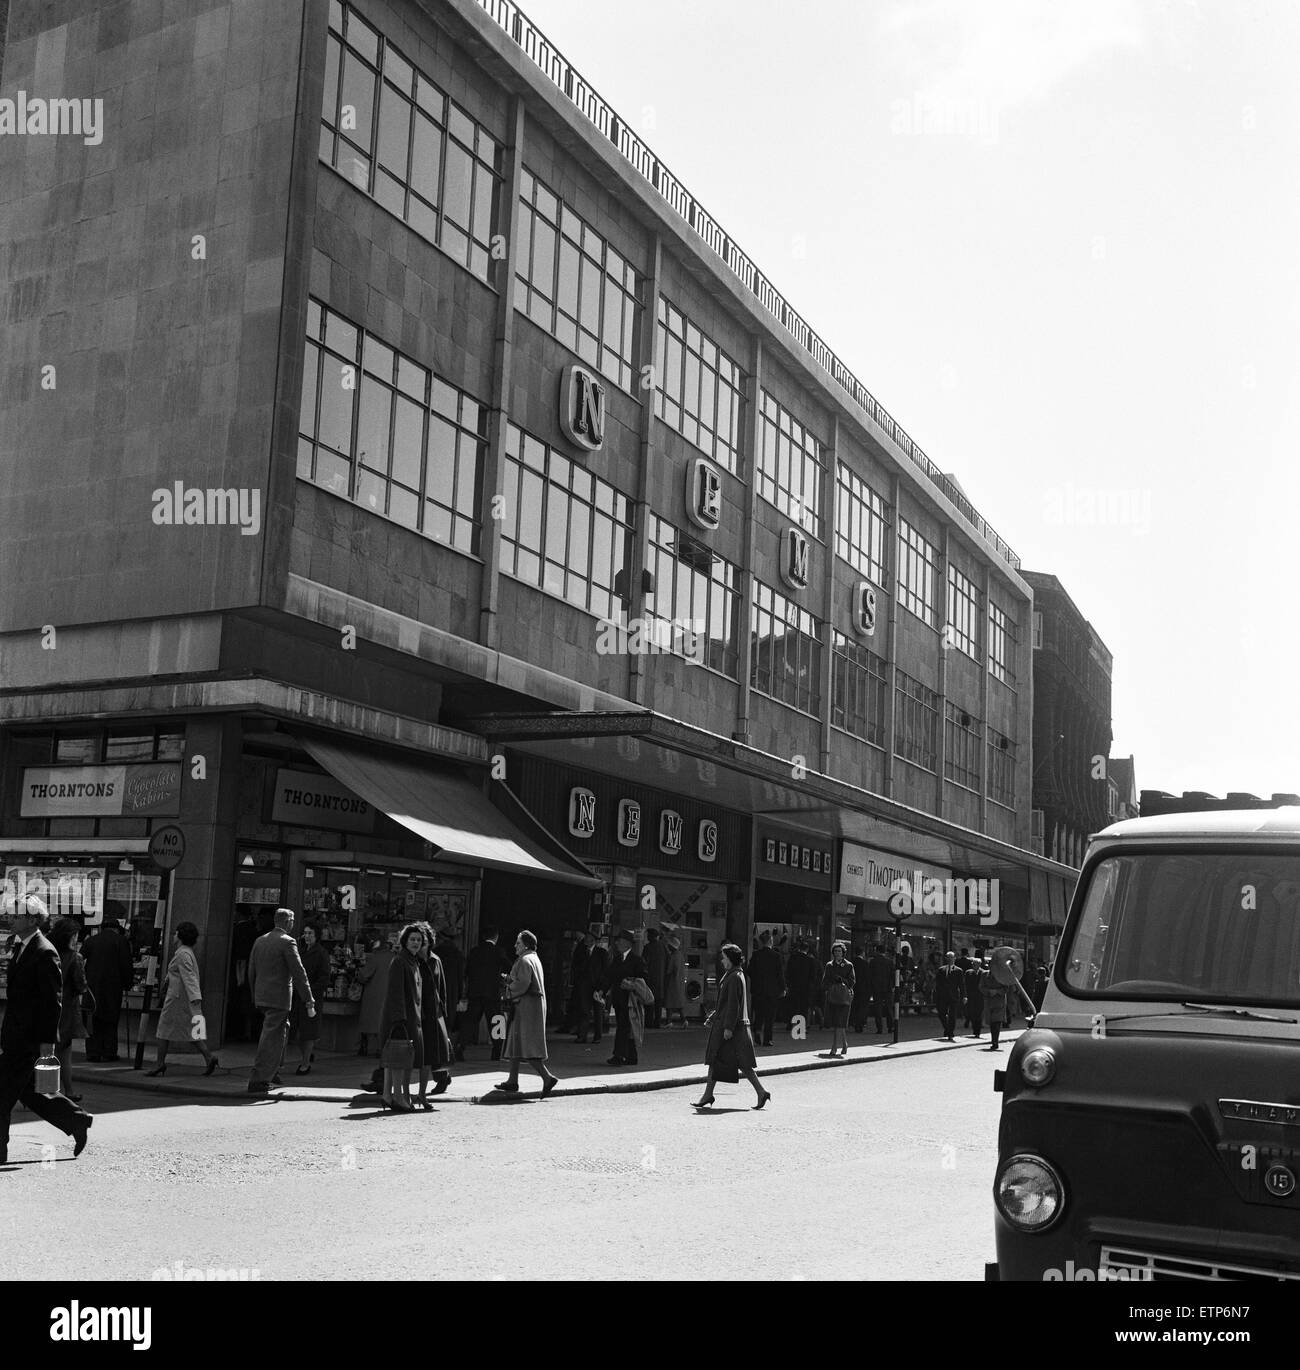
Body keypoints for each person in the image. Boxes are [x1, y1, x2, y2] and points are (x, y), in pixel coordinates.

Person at [0, 893, 93, 1165]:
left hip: (28, 1039)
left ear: (32, 919)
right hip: (16, 1034)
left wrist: (48, 1042)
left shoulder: (44, 951)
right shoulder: (21, 946)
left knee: (2, 1094)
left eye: (17, 916)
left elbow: (53, 1003)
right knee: (33, 1092)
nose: (11, 919)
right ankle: (78, 1120)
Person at [693, 943, 770, 1110]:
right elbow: (725, 1003)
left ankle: (760, 1092)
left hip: (731, 1029)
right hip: (731, 1026)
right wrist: (713, 1017)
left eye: (724, 958)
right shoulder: (734, 974)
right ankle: (760, 1092)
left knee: (725, 1060)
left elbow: (733, 1005)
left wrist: (728, 1028)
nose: (722, 960)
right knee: (732, 1062)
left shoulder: (734, 976)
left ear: (731, 959)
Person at [247, 908, 315, 1095]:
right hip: (279, 998)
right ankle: (259, 1079)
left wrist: (255, 994)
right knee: (271, 1037)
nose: (294, 924)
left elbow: (251, 970)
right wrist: (309, 999)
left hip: (262, 996)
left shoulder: (260, 940)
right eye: (292, 920)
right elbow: (299, 973)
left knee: (279, 1032)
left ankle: (272, 1070)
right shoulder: (288, 942)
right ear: (287, 922)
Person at [146, 922, 218, 1077]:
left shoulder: (182, 954)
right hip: (183, 997)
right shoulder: (186, 952)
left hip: (178, 999)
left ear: (179, 935)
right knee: (191, 1030)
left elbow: (188, 976)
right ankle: (208, 1056)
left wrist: (195, 997)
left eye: (175, 933)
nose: (173, 936)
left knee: (164, 1030)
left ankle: (160, 1064)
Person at [495, 930, 559, 1097]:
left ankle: (547, 1077)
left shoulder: (524, 960)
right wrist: (510, 979)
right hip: (530, 1007)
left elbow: (523, 983)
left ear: (525, 944)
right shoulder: (533, 958)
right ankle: (512, 1081)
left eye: (518, 943)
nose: (515, 946)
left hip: (526, 1008)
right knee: (516, 1042)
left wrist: (508, 988)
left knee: (527, 1045)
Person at [379, 924, 425, 1111]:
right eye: (412, 939)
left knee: (396, 1057)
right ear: (405, 941)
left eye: (419, 940)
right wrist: (399, 1019)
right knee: (399, 1059)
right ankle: (397, 1097)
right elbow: (395, 992)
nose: (415, 943)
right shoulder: (400, 961)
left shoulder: (412, 961)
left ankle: (388, 1095)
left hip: (408, 1016)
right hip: (399, 1017)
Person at [80, 916, 134, 1062]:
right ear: (117, 929)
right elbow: (126, 965)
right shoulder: (121, 941)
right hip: (113, 987)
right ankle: (109, 1051)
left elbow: (79, 959)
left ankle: (93, 1051)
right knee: (111, 1020)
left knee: (93, 1020)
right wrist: (128, 984)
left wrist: (82, 981)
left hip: (92, 987)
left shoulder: (91, 941)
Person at [50, 918, 92, 1102]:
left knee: (45, 1051)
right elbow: (81, 985)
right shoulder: (75, 958)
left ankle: (43, 1089)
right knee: (64, 1053)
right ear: (71, 936)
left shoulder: (47, 952)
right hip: (66, 1010)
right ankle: (67, 1090)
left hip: (47, 1007)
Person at [414, 922, 452, 1106]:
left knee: (430, 1053)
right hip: (415, 1012)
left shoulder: (435, 960)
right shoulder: (410, 960)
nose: (421, 944)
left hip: (432, 1012)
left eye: (424, 940)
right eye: (418, 940)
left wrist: (443, 1012)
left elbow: (441, 988)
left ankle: (424, 1091)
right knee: (411, 1055)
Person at [289, 924, 330, 1074]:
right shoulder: (301, 951)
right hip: (298, 997)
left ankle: (305, 1063)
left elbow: (324, 978)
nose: (307, 936)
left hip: (311, 997)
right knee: (297, 1032)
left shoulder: (321, 953)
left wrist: (310, 991)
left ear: (317, 935)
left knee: (308, 1032)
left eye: (310, 933)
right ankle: (307, 1055)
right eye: (305, 933)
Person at [600, 929, 645, 1066]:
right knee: (626, 1027)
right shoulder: (617, 959)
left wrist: (631, 984)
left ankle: (618, 1056)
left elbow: (643, 978)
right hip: (619, 999)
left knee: (623, 1027)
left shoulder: (636, 960)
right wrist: (602, 991)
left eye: (619, 941)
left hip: (631, 1000)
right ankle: (632, 1056)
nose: (617, 943)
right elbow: (610, 977)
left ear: (627, 944)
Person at [464, 928, 506, 1061]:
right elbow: (509, 966)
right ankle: (497, 1050)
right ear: (496, 937)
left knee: (470, 1021)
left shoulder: (474, 951)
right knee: (497, 1021)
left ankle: (460, 1046)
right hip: (492, 993)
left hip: (475, 992)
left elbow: (467, 971)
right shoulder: (498, 952)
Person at [356, 935, 395, 1056]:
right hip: (388, 995)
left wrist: (358, 972)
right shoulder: (394, 957)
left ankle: (365, 1047)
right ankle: (381, 1049)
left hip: (373, 995)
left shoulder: (375, 958)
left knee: (369, 1022)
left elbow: (363, 976)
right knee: (383, 1024)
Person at [748, 931, 785, 1047]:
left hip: (758, 990)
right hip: (772, 991)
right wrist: (782, 988)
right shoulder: (776, 956)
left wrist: (756, 980)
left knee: (759, 1013)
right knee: (770, 1016)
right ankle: (767, 1039)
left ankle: (757, 1032)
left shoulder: (756, 955)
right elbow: (780, 974)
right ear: (771, 942)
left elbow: (749, 971)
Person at [227, 906, 259, 1041]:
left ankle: (237, 1030)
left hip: (239, 969)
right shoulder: (254, 931)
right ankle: (247, 1030)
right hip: (250, 969)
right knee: (247, 1000)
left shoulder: (236, 930)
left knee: (239, 999)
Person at [435, 929, 466, 1060]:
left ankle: (439, 1048)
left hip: (436, 990)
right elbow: (461, 977)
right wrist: (461, 995)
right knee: (450, 1021)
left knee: (437, 1019)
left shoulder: (436, 953)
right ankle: (448, 1049)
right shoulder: (458, 954)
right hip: (452, 992)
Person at [820, 942, 855, 1057]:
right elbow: (824, 981)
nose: (837, 953)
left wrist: (842, 980)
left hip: (845, 996)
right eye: (835, 951)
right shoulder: (829, 965)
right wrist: (829, 986)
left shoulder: (849, 965)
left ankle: (834, 1047)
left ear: (843, 953)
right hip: (833, 996)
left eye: (839, 951)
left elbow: (852, 981)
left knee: (841, 1022)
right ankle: (844, 1044)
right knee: (836, 1022)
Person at [784, 938, 818, 1026]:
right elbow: (813, 976)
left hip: (794, 986)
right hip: (805, 987)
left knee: (793, 1005)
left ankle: (790, 1023)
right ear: (807, 949)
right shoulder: (810, 960)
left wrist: (788, 984)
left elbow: (788, 972)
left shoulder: (793, 958)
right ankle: (801, 1026)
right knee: (804, 1007)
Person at [934, 950, 965, 1042]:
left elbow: (961, 985)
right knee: (941, 1014)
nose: (950, 959)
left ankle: (950, 1033)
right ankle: (947, 1028)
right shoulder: (941, 970)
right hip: (943, 996)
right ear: (946, 958)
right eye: (949, 957)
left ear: (954, 958)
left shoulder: (959, 971)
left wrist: (964, 996)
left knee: (952, 1015)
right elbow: (938, 984)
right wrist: (937, 995)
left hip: (953, 996)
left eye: (952, 957)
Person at [866, 943, 895, 1035]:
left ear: (877, 951)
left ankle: (879, 1028)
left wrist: (870, 988)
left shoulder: (873, 962)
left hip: (876, 988)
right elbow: (893, 976)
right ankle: (890, 1027)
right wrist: (892, 986)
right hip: (887, 988)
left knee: (878, 1008)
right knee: (889, 1008)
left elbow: (869, 976)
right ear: (884, 951)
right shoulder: (890, 962)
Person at [642, 927, 667, 1029]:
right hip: (660, 978)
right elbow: (668, 960)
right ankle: (657, 1022)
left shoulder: (648, 948)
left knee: (649, 1001)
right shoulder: (663, 946)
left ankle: (649, 1022)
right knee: (658, 1003)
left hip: (650, 978)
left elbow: (644, 963)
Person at [662, 932, 686, 1027]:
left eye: (669, 945)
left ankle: (669, 1021)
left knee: (669, 1003)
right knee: (678, 1003)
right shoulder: (680, 955)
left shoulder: (673, 956)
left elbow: (669, 970)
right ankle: (684, 1020)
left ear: (672, 946)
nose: (668, 946)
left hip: (672, 982)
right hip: (679, 982)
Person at [850, 944, 871, 1032]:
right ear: (862, 953)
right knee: (862, 1007)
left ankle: (852, 1021)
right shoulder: (865, 964)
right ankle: (860, 1024)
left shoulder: (851, 963)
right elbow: (867, 977)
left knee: (854, 1005)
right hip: (863, 988)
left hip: (853, 987)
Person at [964, 956, 986, 1037]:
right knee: (972, 1013)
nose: (973, 965)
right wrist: (965, 995)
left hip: (980, 997)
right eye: (973, 964)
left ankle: (978, 1031)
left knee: (979, 1014)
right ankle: (974, 1029)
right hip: (971, 996)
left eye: (975, 964)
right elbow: (965, 985)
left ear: (979, 965)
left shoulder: (983, 973)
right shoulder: (968, 973)